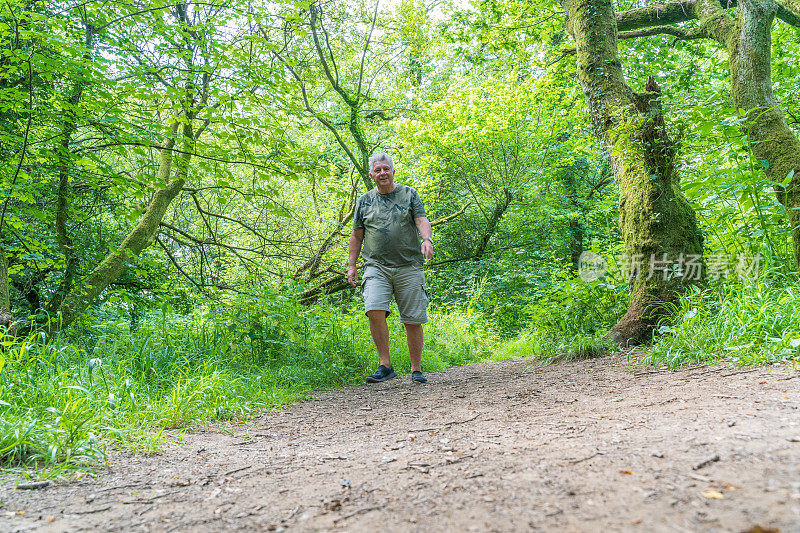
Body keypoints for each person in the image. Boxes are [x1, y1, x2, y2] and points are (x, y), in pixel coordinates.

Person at [347, 153, 434, 384]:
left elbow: (421, 220)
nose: (383, 173)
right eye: (378, 170)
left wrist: (427, 240)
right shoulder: (364, 201)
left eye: (386, 169)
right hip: (376, 266)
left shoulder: (409, 194)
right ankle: (385, 365)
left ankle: (416, 369)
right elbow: (357, 235)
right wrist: (352, 265)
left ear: (393, 172)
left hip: (409, 265)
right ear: (372, 175)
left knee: (413, 319)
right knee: (374, 308)